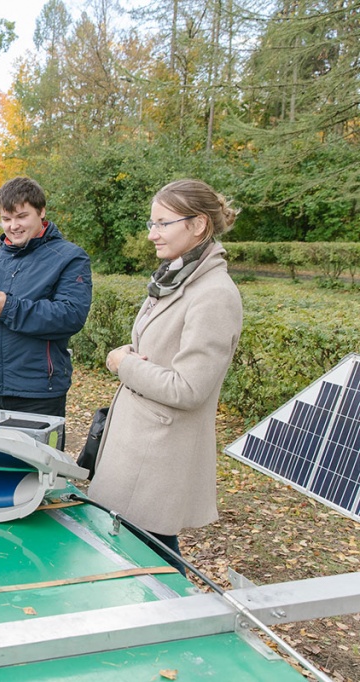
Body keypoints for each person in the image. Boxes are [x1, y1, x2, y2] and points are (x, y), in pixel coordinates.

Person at [88, 179, 243, 570]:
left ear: (198, 225)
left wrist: (125, 365)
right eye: (150, 223)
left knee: (153, 561)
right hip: (136, 443)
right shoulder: (174, 277)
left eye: (162, 223)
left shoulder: (214, 294)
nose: (151, 234)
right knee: (130, 557)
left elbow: (190, 387)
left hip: (159, 455)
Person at [0, 176, 92, 443]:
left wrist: (7, 308)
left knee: (37, 472)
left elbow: (70, 315)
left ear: (41, 212)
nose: (13, 226)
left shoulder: (69, 257)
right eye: (6, 219)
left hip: (37, 392)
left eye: (22, 216)